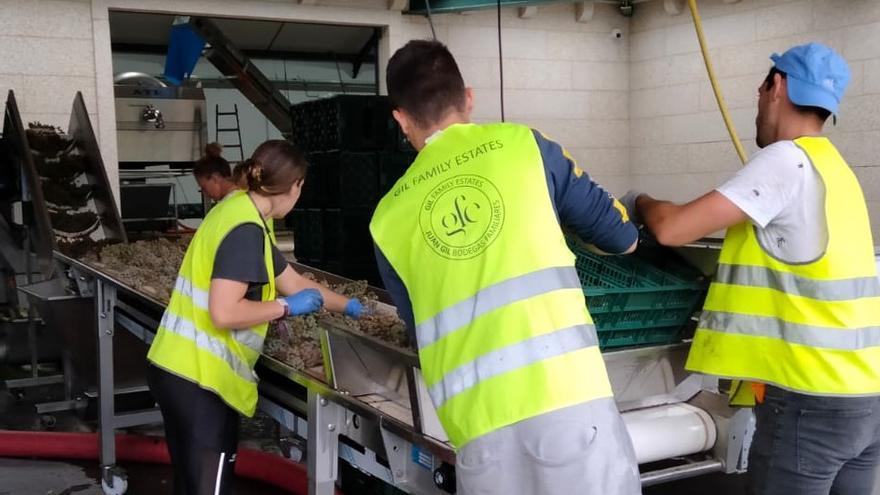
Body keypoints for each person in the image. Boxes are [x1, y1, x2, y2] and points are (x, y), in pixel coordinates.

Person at [370, 40, 641, 495]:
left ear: (400, 118)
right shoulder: (525, 146)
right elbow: (622, 237)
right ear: (469, 98)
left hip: (479, 434)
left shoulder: (387, 219)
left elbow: (419, 330)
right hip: (569, 405)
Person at [624, 42, 880, 494]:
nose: (759, 102)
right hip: (866, 401)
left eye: (762, 88)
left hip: (809, 404)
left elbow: (672, 228)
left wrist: (638, 201)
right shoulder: (835, 169)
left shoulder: (786, 161)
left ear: (777, 85)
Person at [147, 140, 365, 495]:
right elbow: (224, 311)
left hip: (177, 369)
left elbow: (292, 281)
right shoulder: (246, 230)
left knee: (190, 486)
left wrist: (350, 306)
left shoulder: (240, 210)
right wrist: (285, 308)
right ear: (295, 186)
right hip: (200, 380)